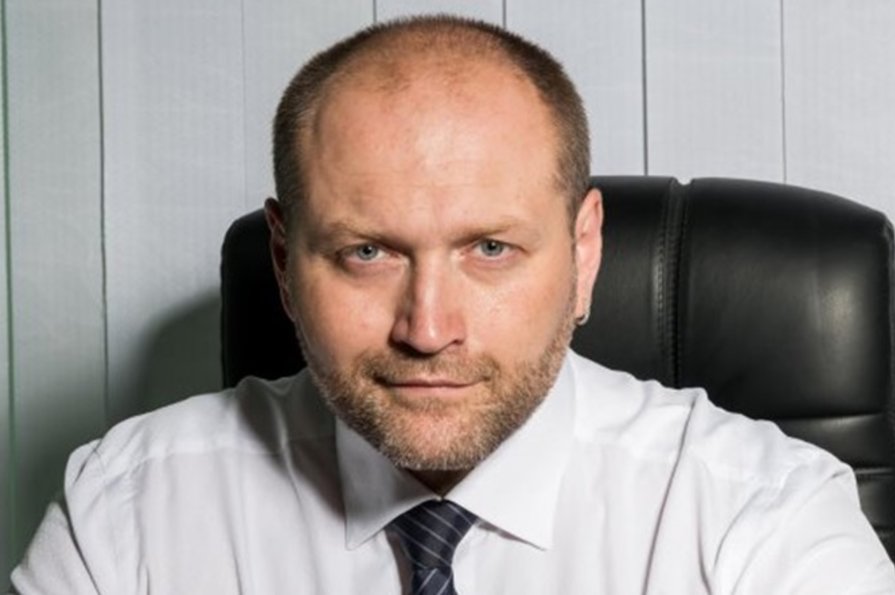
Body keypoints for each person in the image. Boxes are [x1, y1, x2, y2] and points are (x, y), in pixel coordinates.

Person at [10, 14, 895, 594]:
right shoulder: (126, 515)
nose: (428, 329)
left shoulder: (759, 518)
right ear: (282, 262)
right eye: (366, 252)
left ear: (584, 253)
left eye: (490, 249)